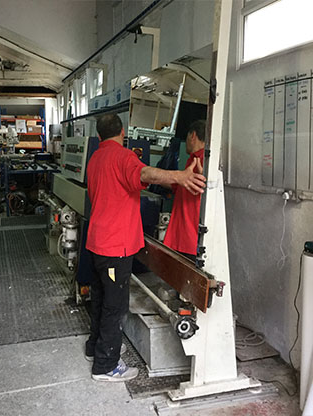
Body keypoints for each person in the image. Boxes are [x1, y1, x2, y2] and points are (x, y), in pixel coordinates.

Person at [85, 114, 205, 382]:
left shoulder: (95, 158)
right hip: (115, 246)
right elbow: (144, 173)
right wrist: (180, 176)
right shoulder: (123, 156)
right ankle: (106, 365)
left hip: (96, 242)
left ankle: (96, 348)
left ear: (99, 134)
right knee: (114, 306)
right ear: (123, 132)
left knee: (101, 298)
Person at [163, 120, 206, 261]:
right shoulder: (193, 160)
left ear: (193, 135)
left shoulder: (202, 161)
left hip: (189, 241)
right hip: (183, 239)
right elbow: (180, 186)